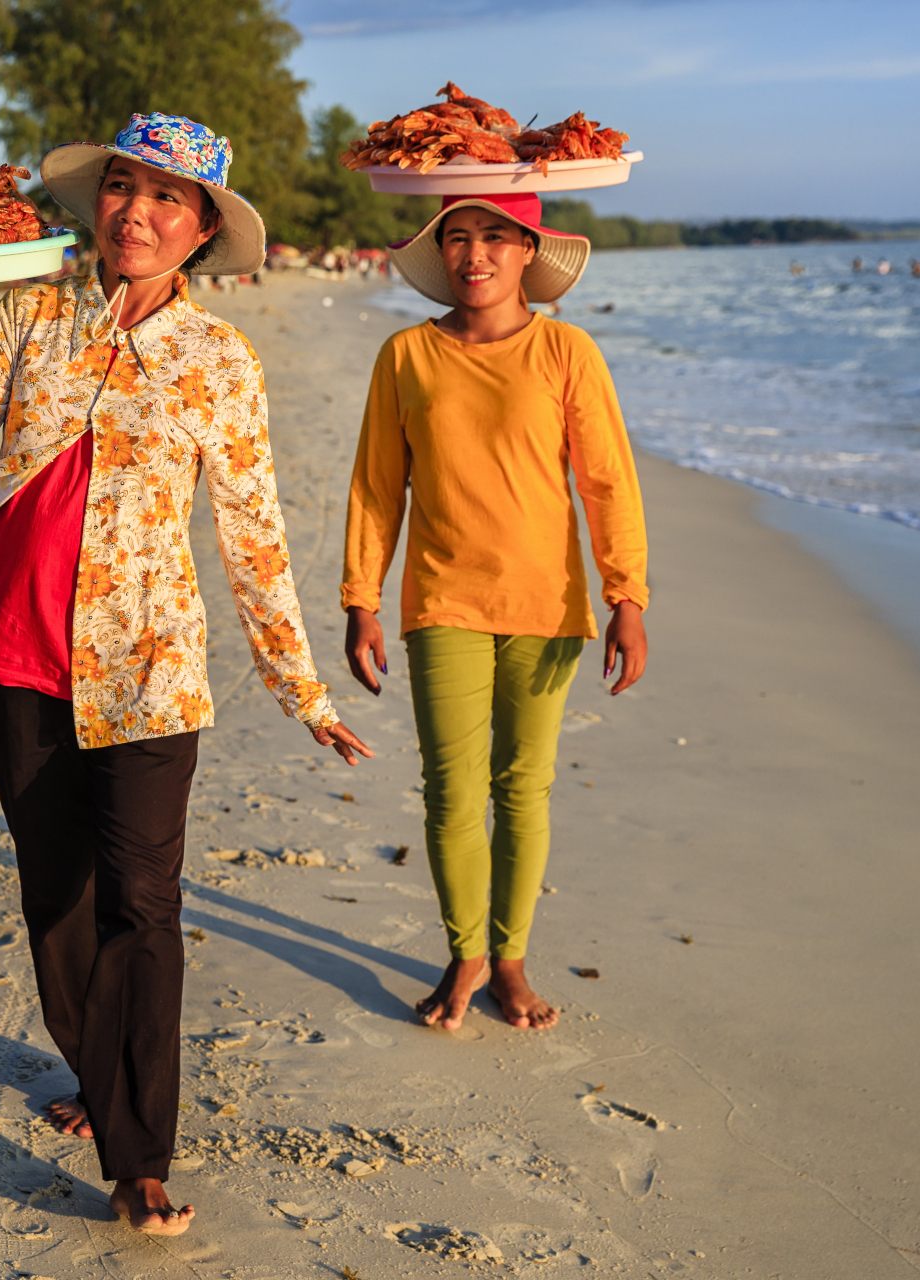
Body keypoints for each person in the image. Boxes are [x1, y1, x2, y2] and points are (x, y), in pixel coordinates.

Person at [0, 112, 370, 1236]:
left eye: (168, 198)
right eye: (123, 187)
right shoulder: (31, 312)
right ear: (98, 200)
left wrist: (300, 686)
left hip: (151, 667)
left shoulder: (220, 359)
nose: (138, 212)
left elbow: (253, 530)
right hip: (17, 653)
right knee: (53, 891)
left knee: (143, 904)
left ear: (204, 227)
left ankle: (140, 1152)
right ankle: (97, 1072)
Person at [341, 191, 648, 1033]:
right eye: (460, 238)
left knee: (524, 788)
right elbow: (376, 487)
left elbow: (606, 481)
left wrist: (627, 595)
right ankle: (465, 951)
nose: (475, 255)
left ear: (527, 252)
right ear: (441, 253)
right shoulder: (405, 355)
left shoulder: (566, 351)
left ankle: (509, 959)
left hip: (548, 607)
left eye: (495, 238)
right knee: (450, 790)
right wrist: (360, 598)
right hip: (441, 599)